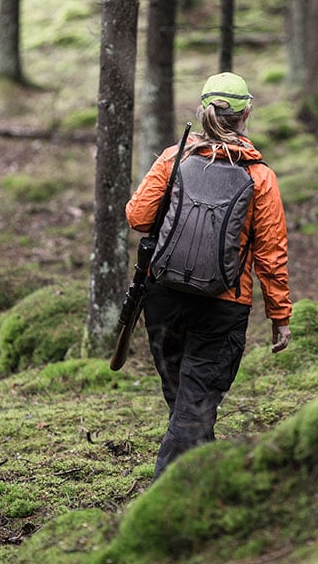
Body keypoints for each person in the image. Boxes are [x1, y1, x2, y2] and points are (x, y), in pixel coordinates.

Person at [125, 71, 293, 479]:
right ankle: (168, 497)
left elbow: (137, 217)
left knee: (186, 399)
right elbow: (270, 253)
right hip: (223, 306)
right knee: (194, 401)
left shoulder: (174, 157)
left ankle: (202, 478)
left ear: (202, 111)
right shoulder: (259, 177)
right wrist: (280, 317)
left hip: (163, 296)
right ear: (247, 112)